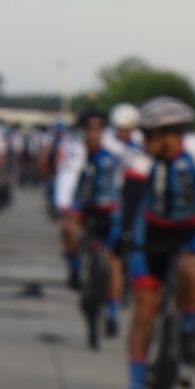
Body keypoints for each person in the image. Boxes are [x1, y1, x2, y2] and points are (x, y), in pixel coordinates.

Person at [117, 96, 195, 389]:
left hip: (190, 229)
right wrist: (125, 233)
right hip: (152, 231)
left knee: (191, 268)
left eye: (150, 135)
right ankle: (137, 388)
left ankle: (187, 328)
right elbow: (132, 193)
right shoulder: (141, 154)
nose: (144, 141)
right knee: (145, 309)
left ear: (170, 135)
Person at [53, 104, 127, 335]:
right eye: (89, 128)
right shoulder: (76, 149)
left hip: (111, 208)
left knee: (114, 261)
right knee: (68, 229)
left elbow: (131, 176)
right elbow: (67, 177)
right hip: (84, 206)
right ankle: (75, 267)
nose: (94, 133)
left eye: (98, 128)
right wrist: (63, 206)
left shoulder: (117, 149)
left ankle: (113, 312)